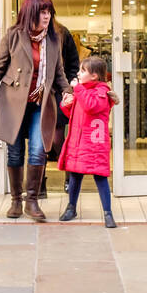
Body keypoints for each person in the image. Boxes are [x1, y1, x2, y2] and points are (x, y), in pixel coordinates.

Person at [0, 0, 71, 222]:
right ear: (31, 12)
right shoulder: (13, 35)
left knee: (38, 149)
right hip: (13, 103)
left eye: (49, 12)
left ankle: (32, 201)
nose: (47, 16)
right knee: (15, 151)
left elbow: (59, 72)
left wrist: (69, 93)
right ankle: (16, 201)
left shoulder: (54, 39)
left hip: (41, 105)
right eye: (43, 12)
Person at [57, 54, 118, 228]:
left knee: (100, 176)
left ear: (95, 76)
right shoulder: (83, 91)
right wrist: (66, 104)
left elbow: (92, 107)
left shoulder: (101, 91)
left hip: (94, 144)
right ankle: (71, 207)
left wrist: (77, 90)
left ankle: (108, 212)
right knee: (75, 174)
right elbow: (74, 114)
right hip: (79, 143)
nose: (78, 74)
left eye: (82, 71)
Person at [43, 20, 81, 200]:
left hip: (59, 90)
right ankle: (39, 182)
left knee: (58, 137)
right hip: (37, 93)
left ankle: (68, 178)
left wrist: (69, 86)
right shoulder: (28, 31)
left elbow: (74, 63)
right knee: (40, 139)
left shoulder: (62, 32)